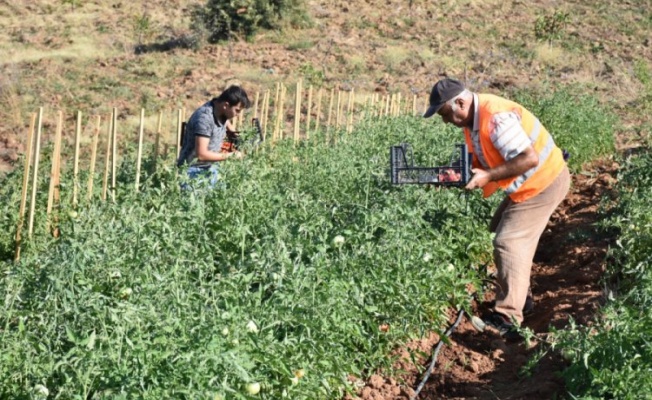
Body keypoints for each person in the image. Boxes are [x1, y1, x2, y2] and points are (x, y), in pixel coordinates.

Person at [424, 78, 570, 340]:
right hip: (529, 184)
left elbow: (528, 158)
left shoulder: (495, 118)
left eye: (445, 113)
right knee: (496, 230)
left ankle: (508, 316)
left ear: (460, 102)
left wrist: (489, 176)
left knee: (509, 241)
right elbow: (483, 158)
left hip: (544, 182)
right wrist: (454, 175)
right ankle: (521, 298)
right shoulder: (473, 122)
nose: (445, 121)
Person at [177, 85, 250, 189]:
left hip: (210, 167)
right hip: (193, 172)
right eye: (237, 110)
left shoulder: (218, 108)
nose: (238, 114)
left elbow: (224, 120)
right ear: (226, 105)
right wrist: (232, 155)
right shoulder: (204, 118)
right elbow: (201, 155)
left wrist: (233, 131)